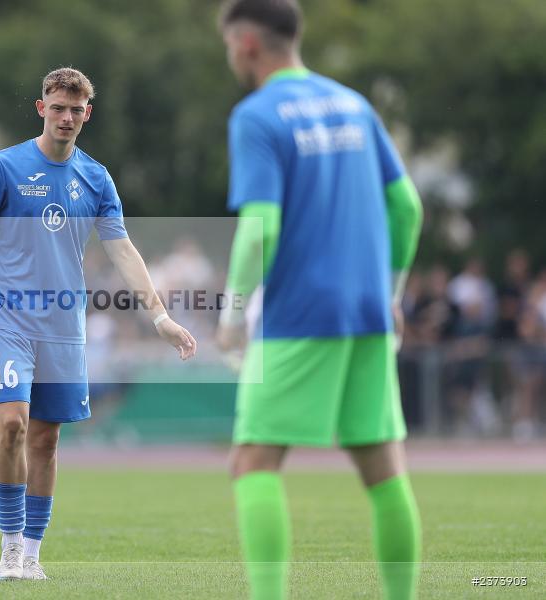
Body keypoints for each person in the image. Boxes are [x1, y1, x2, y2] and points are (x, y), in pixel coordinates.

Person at [214, 2, 424, 599]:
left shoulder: (256, 116)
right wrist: (392, 293)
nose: (230, 55)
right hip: (366, 312)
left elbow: (263, 225)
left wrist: (232, 314)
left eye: (229, 44)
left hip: (301, 314)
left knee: (252, 463)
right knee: (384, 472)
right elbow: (408, 207)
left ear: (248, 42)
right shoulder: (355, 105)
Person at [0, 67, 197, 581]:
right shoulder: (2, 167)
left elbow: (123, 249)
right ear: (42, 108)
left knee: (45, 440)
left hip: (64, 326)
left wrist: (160, 316)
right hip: (9, 319)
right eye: (57, 107)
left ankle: (34, 555)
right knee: (13, 423)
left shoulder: (97, 178)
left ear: (88, 114)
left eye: (75, 109)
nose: (66, 117)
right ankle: (10, 548)